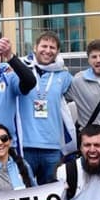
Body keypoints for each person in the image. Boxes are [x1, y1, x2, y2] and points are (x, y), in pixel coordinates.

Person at [16, 31, 74, 185]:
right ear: (35, 47)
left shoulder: (64, 76)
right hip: (25, 146)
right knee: (25, 194)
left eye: (52, 47)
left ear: (58, 52)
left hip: (52, 147)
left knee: (51, 194)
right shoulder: (20, 70)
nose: (48, 50)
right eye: (44, 46)